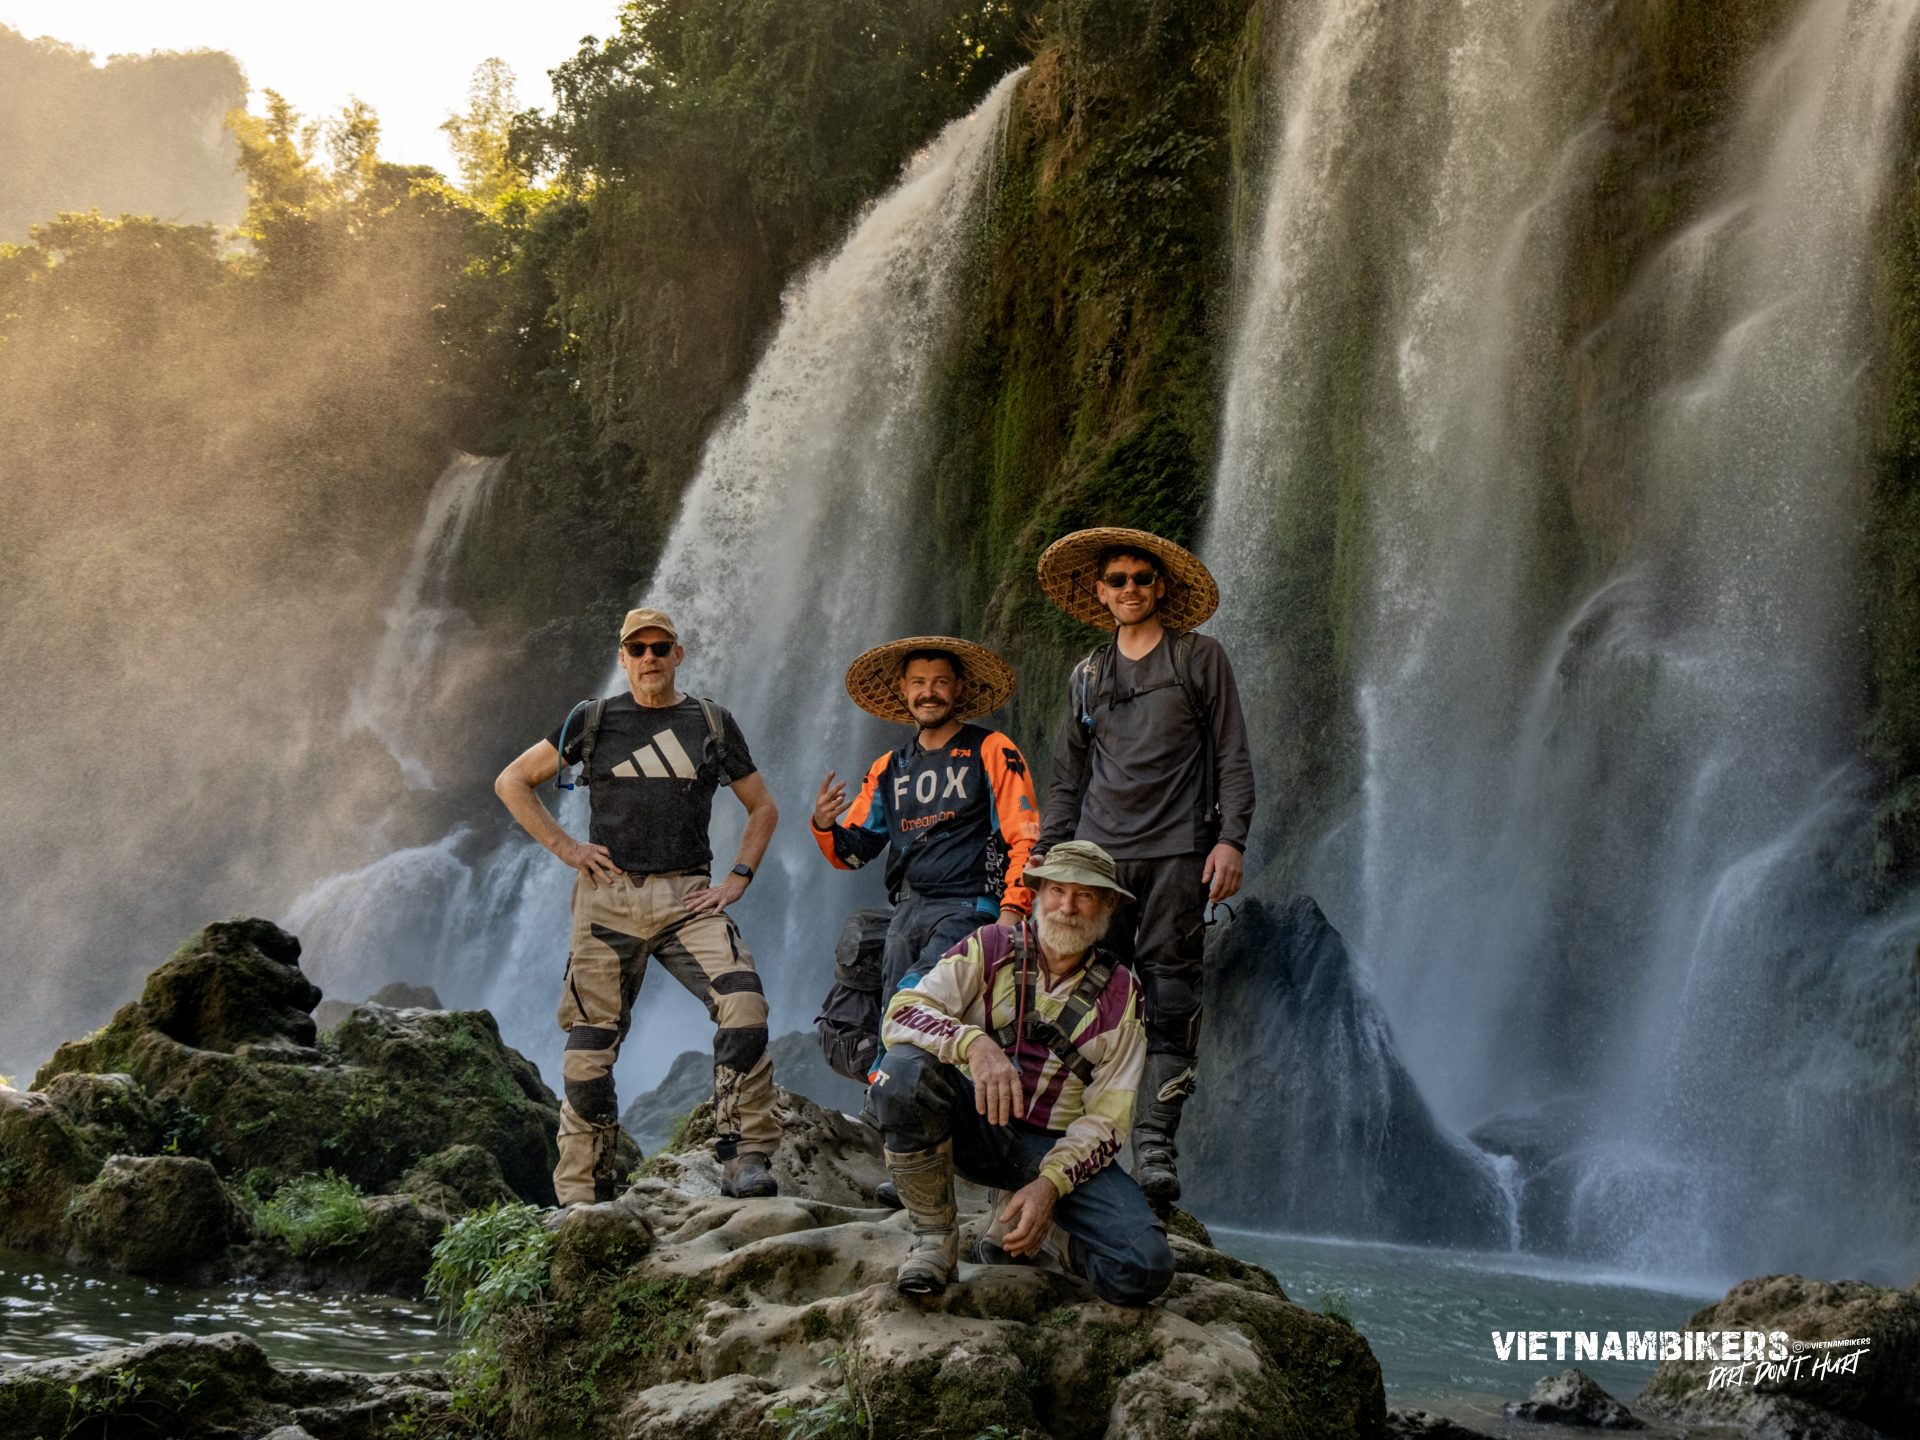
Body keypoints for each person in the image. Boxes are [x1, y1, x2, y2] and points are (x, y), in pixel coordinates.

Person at [494, 606, 782, 1206]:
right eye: (638, 649)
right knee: (589, 1046)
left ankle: (744, 1158)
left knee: (744, 1002)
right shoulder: (591, 720)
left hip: (689, 896)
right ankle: (582, 1195)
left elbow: (763, 807)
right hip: (608, 899)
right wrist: (568, 848)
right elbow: (513, 781)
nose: (650, 657)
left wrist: (738, 877)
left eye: (661, 647)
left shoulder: (712, 722)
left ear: (678, 654)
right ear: (623, 658)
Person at [1035, 528, 1255, 1205]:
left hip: (1177, 850)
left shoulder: (1199, 658)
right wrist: (1050, 852)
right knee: (1078, 986)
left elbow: (1233, 757)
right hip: (1098, 859)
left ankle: (1154, 1141)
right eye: (1117, 580)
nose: (1129, 588)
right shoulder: (1088, 675)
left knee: (1170, 990)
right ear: (1099, 593)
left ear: (1160, 587)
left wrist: (1232, 841)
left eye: (1140, 577)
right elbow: (1068, 775)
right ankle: (1059, 1133)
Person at [870, 840, 1173, 1306]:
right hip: (975, 1128)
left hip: (1053, 1150)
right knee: (903, 1070)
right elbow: (903, 1012)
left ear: (1109, 904)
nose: (1067, 907)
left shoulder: (1123, 995)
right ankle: (933, 1241)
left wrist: (1050, 1186)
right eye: (1056, 890)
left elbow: (1108, 1121)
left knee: (1144, 1268)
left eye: (1085, 895)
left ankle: (1053, 1235)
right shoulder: (989, 947)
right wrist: (973, 1044)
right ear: (1036, 894)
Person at [811, 636, 1040, 1053]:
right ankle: (882, 1103)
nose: (928, 692)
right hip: (908, 910)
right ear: (903, 689)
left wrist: (1011, 915)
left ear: (958, 689)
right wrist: (825, 826)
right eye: (918, 682)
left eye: (940, 682)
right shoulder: (887, 768)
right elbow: (856, 850)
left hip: (970, 906)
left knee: (916, 1001)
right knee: (891, 1015)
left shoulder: (991, 749)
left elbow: (1023, 836)